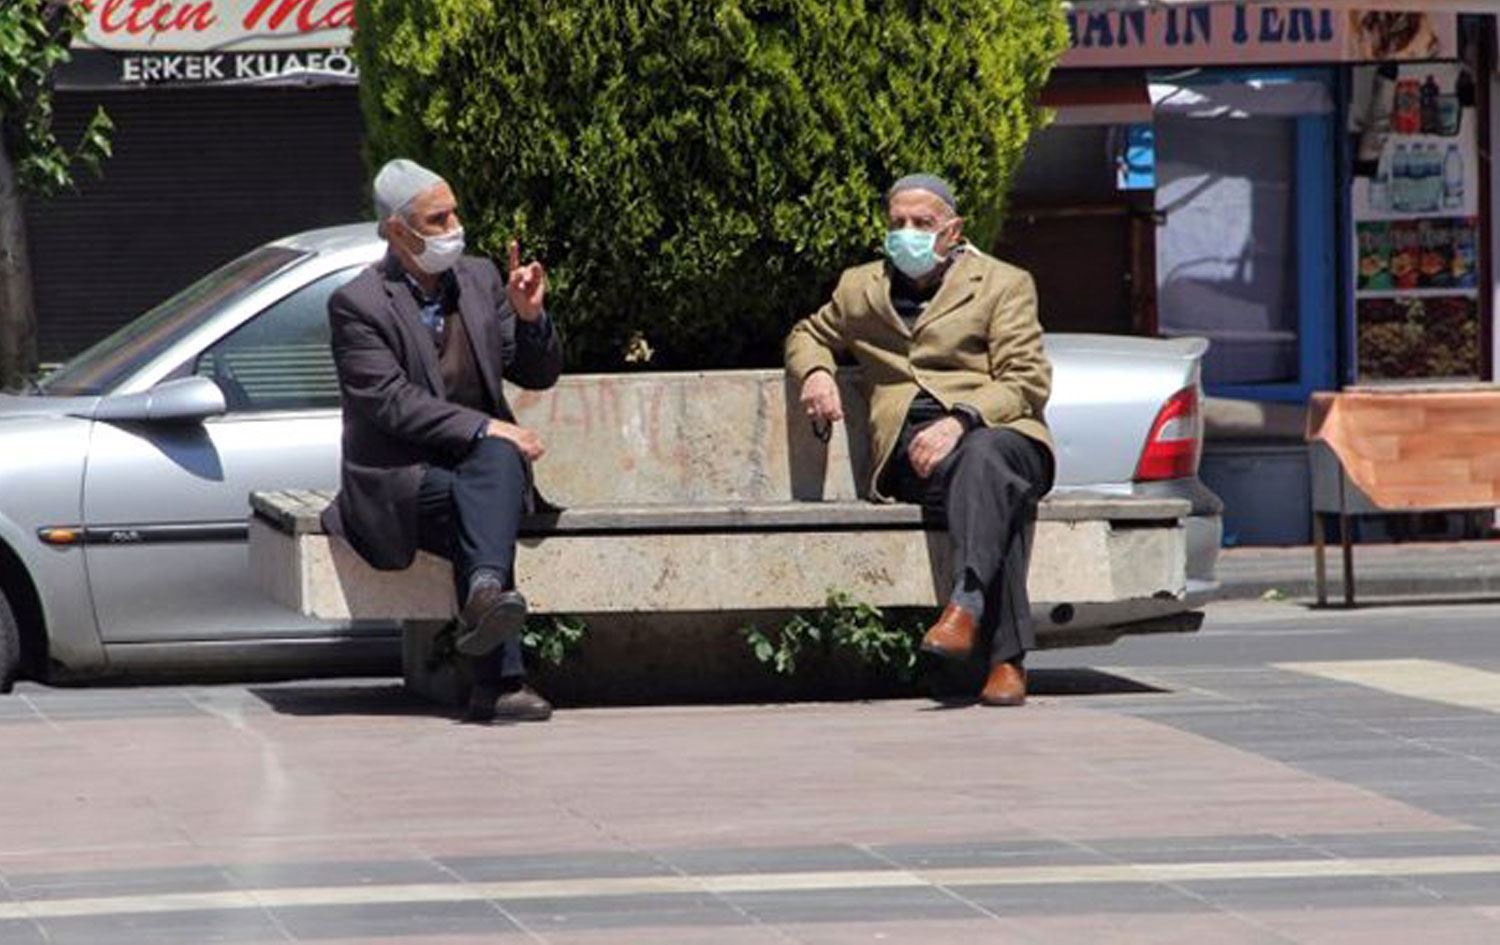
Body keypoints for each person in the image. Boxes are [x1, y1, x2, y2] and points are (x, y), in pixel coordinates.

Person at [784, 174, 1055, 706]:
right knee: (996, 492)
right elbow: (807, 333)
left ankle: (966, 607)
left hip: (1001, 432)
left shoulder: (1002, 283)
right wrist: (816, 373)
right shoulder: (860, 287)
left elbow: (1027, 380)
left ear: (952, 231)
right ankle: (1005, 659)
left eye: (922, 224)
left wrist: (962, 419)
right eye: (897, 223)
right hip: (913, 454)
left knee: (987, 461)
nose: (907, 233)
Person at [322, 158, 563, 723]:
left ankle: (484, 600)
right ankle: (497, 680)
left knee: (487, 477)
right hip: (400, 481)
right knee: (482, 483)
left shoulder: (479, 280)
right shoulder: (358, 304)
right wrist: (484, 426)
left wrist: (531, 319)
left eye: (455, 211)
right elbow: (390, 402)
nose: (456, 225)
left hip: (483, 470)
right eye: (438, 218)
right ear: (397, 231)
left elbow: (536, 371)